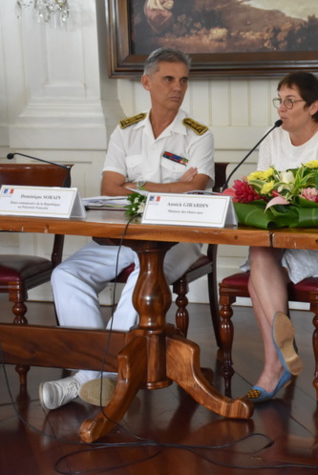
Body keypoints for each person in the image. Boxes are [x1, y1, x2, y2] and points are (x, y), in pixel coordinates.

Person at [41, 47, 215, 410]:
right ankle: (98, 374)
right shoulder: (126, 131)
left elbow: (197, 187)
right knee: (66, 274)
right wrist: (167, 187)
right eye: (169, 79)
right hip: (124, 234)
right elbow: (109, 188)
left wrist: (135, 185)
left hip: (177, 240)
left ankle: (98, 377)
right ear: (147, 82)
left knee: (142, 279)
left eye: (184, 80)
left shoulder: (198, 135)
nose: (178, 87)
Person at [244, 72, 318, 402]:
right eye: (280, 100)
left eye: (290, 101)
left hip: (316, 241)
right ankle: (279, 359)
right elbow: (259, 188)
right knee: (260, 254)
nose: (282, 108)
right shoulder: (273, 137)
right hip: (275, 237)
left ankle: (274, 367)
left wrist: (280, 196)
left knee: (257, 276)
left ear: (313, 106)